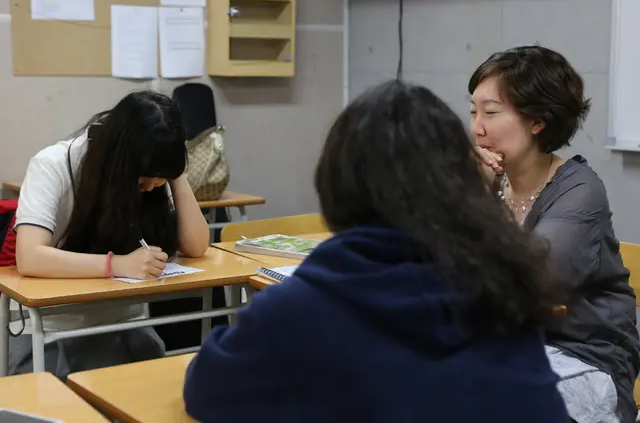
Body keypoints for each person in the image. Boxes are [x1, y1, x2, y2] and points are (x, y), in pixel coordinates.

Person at [183, 80, 570, 423]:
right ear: (457, 180)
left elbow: (207, 387)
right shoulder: (502, 288)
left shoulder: (300, 308)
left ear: (337, 181)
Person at [470, 45, 640, 423]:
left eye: (491, 112)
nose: (476, 127)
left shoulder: (579, 190)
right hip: (510, 345)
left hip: (584, 355)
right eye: (473, 111)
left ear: (538, 121)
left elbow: (530, 282)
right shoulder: (488, 183)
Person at [10, 90, 210, 378]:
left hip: (123, 324)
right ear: (121, 160)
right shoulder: (52, 165)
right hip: (54, 328)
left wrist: (173, 167)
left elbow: (196, 245)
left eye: (160, 179)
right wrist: (116, 264)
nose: (153, 186)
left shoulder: (152, 170)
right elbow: (29, 257)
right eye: (145, 178)